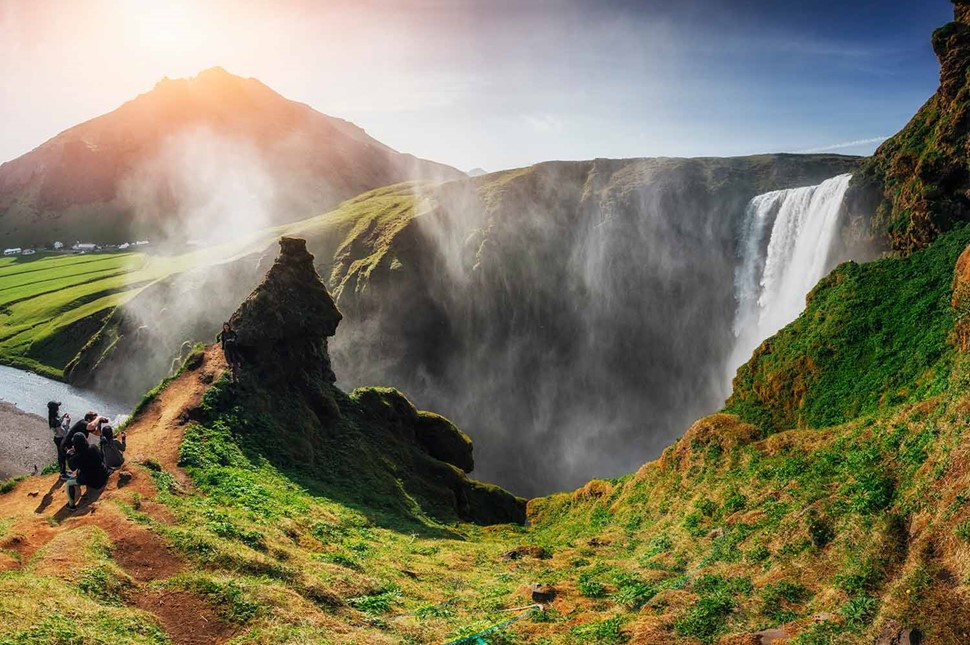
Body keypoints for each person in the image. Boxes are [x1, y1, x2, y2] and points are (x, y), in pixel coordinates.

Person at [65, 432, 108, 510]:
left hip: (93, 481)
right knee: (85, 471)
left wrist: (69, 455)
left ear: (75, 444)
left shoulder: (77, 457)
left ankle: (71, 505)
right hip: (103, 474)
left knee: (68, 483)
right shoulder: (93, 447)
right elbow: (100, 457)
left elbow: (72, 468)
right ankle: (85, 493)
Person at [47, 401, 70, 480]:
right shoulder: (55, 420)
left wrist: (63, 417)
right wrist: (68, 423)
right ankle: (63, 474)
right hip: (60, 440)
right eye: (57, 406)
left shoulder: (52, 417)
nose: (58, 408)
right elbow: (63, 433)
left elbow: (58, 422)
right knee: (62, 456)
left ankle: (63, 471)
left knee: (61, 455)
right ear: (55, 409)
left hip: (57, 438)